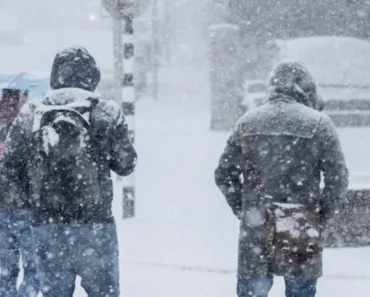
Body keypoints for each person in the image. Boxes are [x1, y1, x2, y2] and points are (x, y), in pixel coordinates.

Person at [1, 46, 137, 297]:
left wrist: (36, 197)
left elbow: (9, 169)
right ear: (92, 77)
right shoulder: (107, 112)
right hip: (96, 226)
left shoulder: (31, 113)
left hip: (47, 228)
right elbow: (126, 164)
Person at [215, 61, 349, 297]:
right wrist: (320, 216)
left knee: (252, 289)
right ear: (305, 88)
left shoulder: (247, 122)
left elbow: (223, 174)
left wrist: (244, 209)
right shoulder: (319, 124)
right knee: (300, 291)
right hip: (301, 223)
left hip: (256, 225)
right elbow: (337, 179)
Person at [0, 90, 40, 297]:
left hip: (1, 208)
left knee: (4, 272)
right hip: (28, 208)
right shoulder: (32, 124)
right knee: (35, 270)